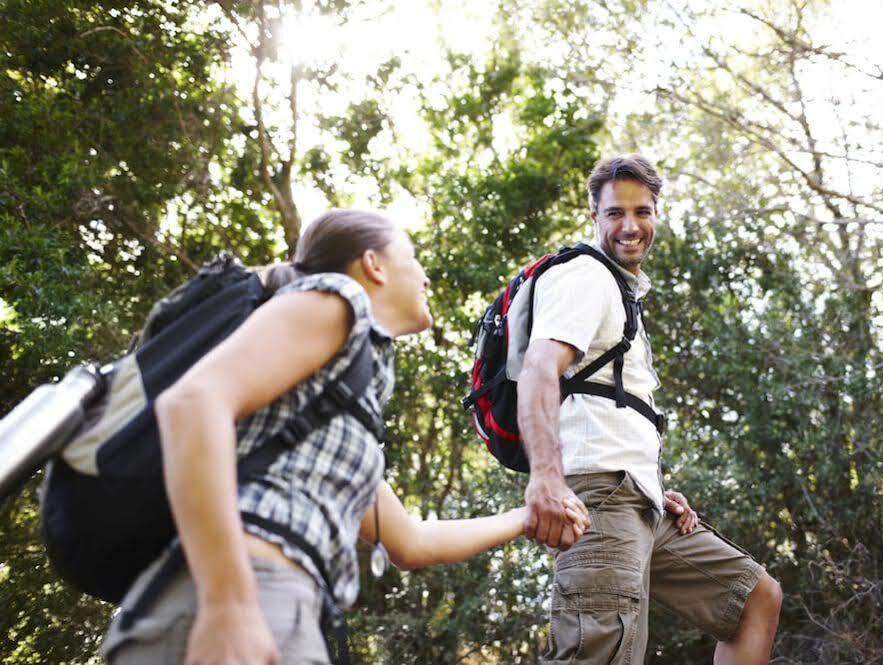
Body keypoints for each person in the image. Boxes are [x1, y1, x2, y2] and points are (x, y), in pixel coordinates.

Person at [101, 209, 589, 665]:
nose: (425, 275)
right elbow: (192, 403)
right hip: (241, 591)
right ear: (372, 265)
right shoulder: (340, 301)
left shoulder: (329, 415)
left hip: (275, 604)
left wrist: (528, 517)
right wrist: (228, 602)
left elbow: (412, 543)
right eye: (412, 257)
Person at [519, 155, 783, 664]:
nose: (630, 226)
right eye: (615, 213)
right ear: (594, 215)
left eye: (642, 211)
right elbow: (538, 371)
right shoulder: (586, 277)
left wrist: (652, 487)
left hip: (637, 498)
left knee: (753, 597)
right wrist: (547, 479)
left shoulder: (620, 292)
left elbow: (606, 406)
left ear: (657, 214)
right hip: (598, 502)